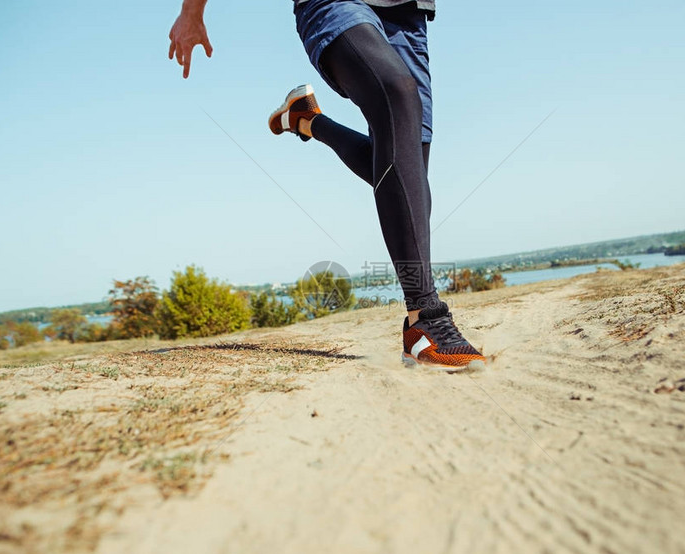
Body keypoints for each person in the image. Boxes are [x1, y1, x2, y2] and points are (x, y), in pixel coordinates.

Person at [169, 0, 486, 371]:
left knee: (409, 173)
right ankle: (426, 318)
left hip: (407, 14)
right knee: (398, 93)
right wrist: (193, 12)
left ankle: (307, 120)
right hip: (336, 3)